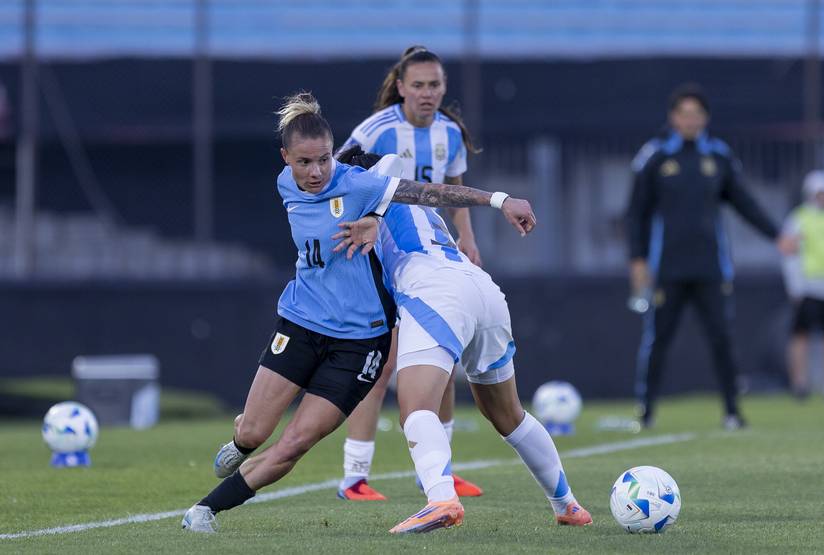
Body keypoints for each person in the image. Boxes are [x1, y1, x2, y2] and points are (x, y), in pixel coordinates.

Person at [182, 92, 535, 533]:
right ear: (285, 159)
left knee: (294, 444)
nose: (315, 172)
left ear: (335, 155)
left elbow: (428, 191)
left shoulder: (357, 183)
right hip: (300, 322)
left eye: (324, 160)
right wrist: (375, 214)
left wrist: (499, 201)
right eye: (304, 162)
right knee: (254, 434)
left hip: (359, 344)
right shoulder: (284, 183)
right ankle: (241, 437)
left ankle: (204, 511)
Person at [336, 147, 592, 533]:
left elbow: (386, 166)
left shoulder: (368, 190)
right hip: (481, 288)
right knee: (508, 416)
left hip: (436, 292)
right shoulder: (411, 206)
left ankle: (441, 499)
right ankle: (567, 505)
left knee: (416, 407)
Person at [334, 46, 483, 501]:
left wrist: (468, 238)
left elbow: (452, 189)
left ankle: (437, 471)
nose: (427, 93)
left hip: (430, 260)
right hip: (381, 259)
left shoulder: (449, 134)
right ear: (400, 87)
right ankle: (354, 477)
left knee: (444, 357)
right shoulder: (375, 131)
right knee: (381, 364)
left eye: (434, 85)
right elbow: (335, 179)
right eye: (417, 85)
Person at [626, 83, 790, 431]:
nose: (690, 120)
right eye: (683, 113)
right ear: (673, 117)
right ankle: (646, 411)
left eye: (696, 114)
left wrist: (777, 235)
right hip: (667, 268)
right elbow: (636, 213)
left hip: (711, 268)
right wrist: (638, 261)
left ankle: (733, 412)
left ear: (706, 118)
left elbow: (744, 203)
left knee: (722, 338)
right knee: (658, 340)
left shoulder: (718, 156)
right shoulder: (655, 157)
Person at [780, 170, 824, 400]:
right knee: (800, 335)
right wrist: (795, 285)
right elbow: (790, 255)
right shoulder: (798, 218)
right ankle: (799, 382)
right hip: (808, 287)